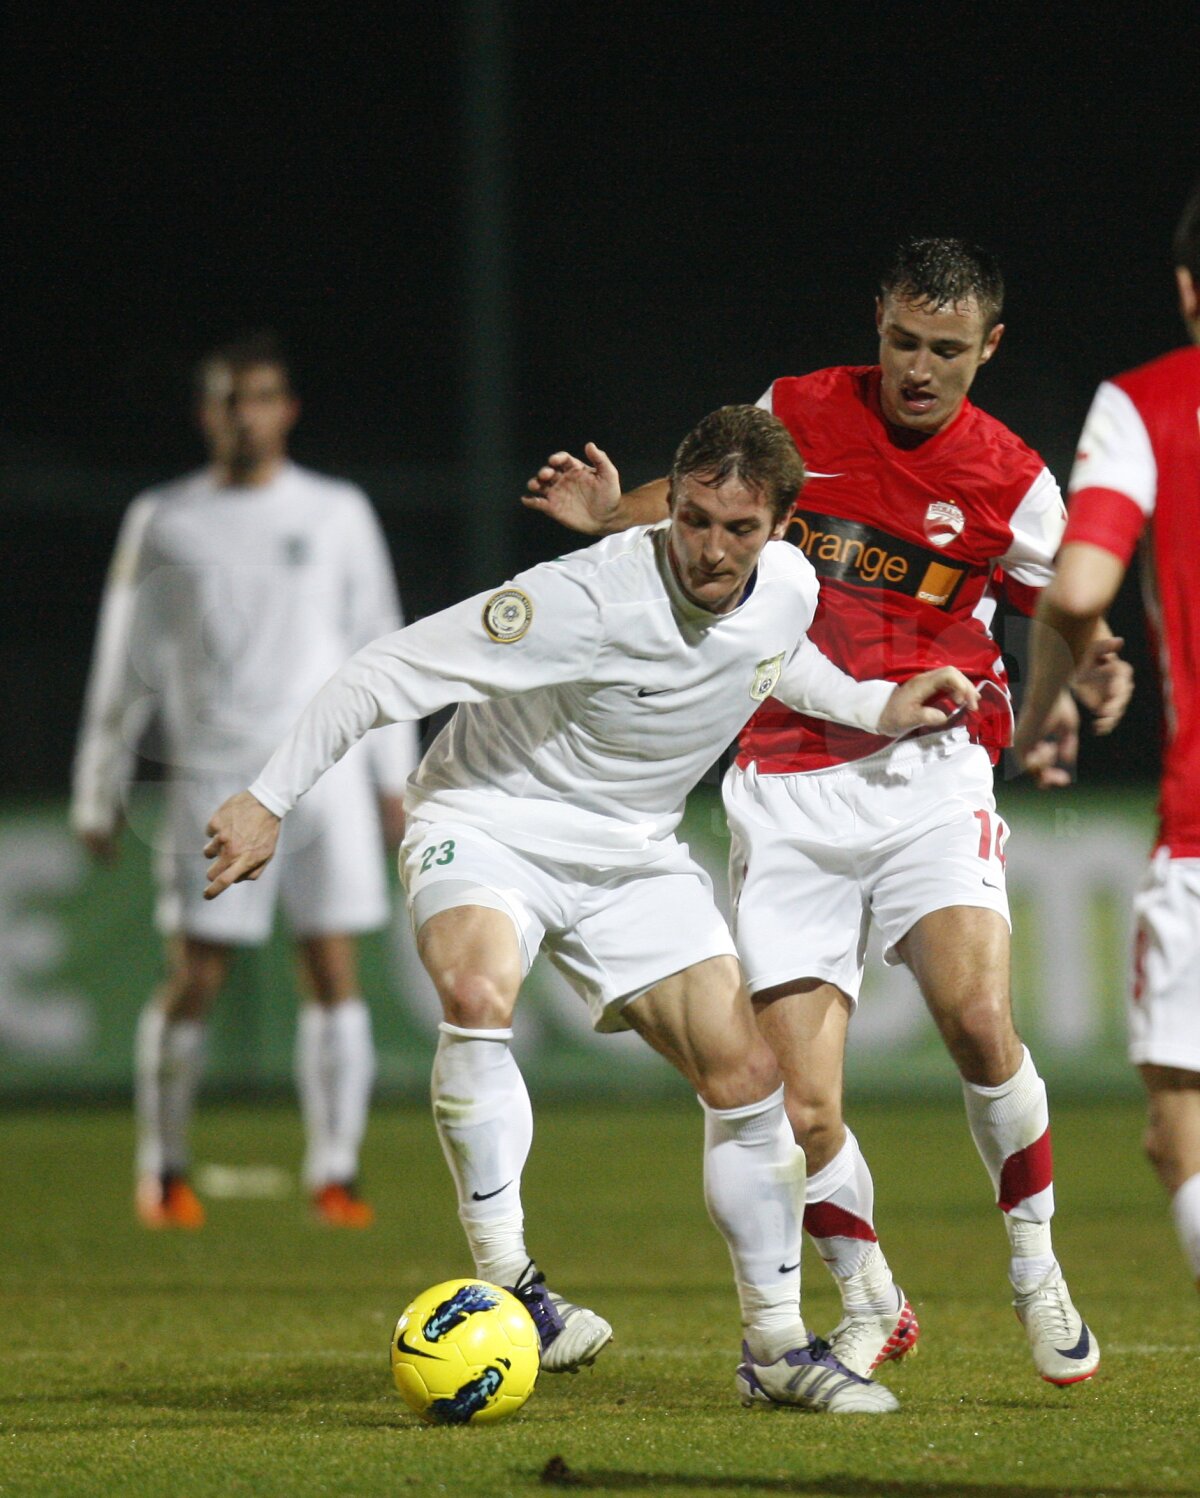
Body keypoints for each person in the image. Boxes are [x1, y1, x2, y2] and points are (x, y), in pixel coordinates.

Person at [204, 403, 978, 1412]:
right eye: (693, 518)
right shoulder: (577, 598)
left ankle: (778, 1348)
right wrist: (267, 798)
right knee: (478, 988)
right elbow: (384, 670)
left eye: (737, 529)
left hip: (631, 853)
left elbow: (774, 657)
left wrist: (877, 707)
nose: (709, 547)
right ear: (673, 506)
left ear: (781, 533)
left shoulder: (786, 586)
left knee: (749, 1077)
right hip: (491, 819)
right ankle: (514, 1282)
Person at [523, 239, 1133, 1387]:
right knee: (797, 1107)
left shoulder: (1014, 479)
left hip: (930, 772)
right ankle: (870, 1298)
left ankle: (1036, 1269)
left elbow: (1070, 613)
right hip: (785, 776)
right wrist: (615, 517)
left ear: (986, 350)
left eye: (946, 350)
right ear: (879, 323)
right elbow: (716, 500)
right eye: (902, 339)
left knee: (977, 1019)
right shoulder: (799, 408)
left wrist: (1079, 683)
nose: (916, 367)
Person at [70, 332, 419, 1230]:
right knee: (196, 971)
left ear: (286, 409)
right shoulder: (165, 517)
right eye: (229, 399)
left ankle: (335, 1172)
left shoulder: (337, 511)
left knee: (333, 966)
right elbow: (124, 655)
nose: (245, 414)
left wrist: (396, 773)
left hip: (325, 767)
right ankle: (164, 1169)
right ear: (207, 414)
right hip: (211, 773)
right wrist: (97, 782)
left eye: (260, 396)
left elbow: (380, 639)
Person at [1014, 182, 1200, 1295]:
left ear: (1187, 287)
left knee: (1180, 1121)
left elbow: (1078, 585)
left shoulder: (1146, 406)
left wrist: (1045, 712)